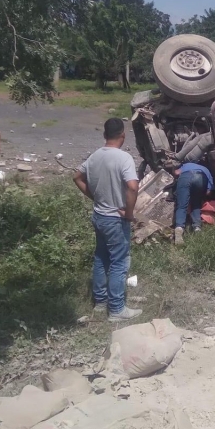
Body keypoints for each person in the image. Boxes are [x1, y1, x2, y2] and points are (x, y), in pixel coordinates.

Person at [73, 118, 142, 322]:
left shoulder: (94, 157)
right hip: (115, 219)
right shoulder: (124, 158)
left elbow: (77, 177)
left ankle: (101, 303)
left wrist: (95, 197)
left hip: (99, 216)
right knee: (119, 262)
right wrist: (129, 213)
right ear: (123, 135)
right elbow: (132, 186)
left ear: (105, 135)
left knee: (101, 258)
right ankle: (117, 309)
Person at [173, 162, 214, 245]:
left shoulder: (186, 165)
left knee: (182, 205)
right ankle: (197, 228)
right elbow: (209, 191)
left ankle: (179, 227)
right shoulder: (206, 169)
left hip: (185, 177)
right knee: (196, 205)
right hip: (200, 177)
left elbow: (176, 172)